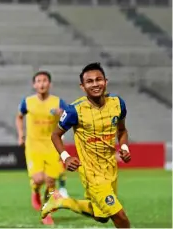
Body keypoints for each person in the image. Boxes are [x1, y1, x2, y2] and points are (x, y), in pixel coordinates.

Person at [41, 62, 131, 228]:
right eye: (90, 81)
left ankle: (60, 202)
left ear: (106, 81)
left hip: (110, 168)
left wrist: (124, 148)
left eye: (99, 79)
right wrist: (66, 158)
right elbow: (55, 135)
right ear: (82, 87)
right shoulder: (74, 110)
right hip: (91, 173)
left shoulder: (118, 104)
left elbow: (122, 131)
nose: (95, 84)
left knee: (102, 217)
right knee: (121, 218)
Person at [15, 71, 69, 225]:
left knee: (51, 181)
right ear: (34, 85)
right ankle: (35, 191)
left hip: (52, 145)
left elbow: (70, 116)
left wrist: (62, 115)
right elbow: (19, 116)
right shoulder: (27, 102)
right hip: (33, 145)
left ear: (50, 84)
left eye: (45, 81)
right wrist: (21, 135)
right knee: (38, 179)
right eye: (38, 81)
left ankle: (46, 212)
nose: (42, 84)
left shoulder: (58, 102)